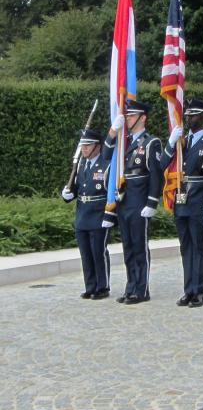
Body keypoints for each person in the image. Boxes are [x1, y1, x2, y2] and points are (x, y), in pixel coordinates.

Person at [103, 99, 163, 305]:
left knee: (139, 246)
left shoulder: (150, 142)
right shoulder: (123, 141)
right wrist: (112, 131)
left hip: (139, 202)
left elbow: (156, 174)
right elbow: (104, 155)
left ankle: (142, 289)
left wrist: (152, 202)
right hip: (124, 201)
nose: (127, 118)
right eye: (126, 115)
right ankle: (131, 287)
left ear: (142, 117)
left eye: (130, 115)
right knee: (128, 247)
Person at [164, 98, 203, 308]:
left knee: (200, 247)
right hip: (181, 201)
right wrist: (171, 144)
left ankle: (200, 291)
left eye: (195, 114)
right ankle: (188, 290)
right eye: (188, 114)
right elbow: (161, 165)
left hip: (199, 202)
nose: (189, 118)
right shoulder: (180, 142)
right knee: (185, 247)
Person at [61, 128, 112, 300]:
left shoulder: (106, 164)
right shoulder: (81, 164)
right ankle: (90, 286)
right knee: (85, 254)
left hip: (98, 214)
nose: (84, 149)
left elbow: (111, 192)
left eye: (88, 145)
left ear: (98, 146)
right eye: (83, 145)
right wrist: (68, 194)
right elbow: (78, 188)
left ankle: (102, 286)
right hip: (82, 214)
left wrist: (109, 214)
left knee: (98, 252)